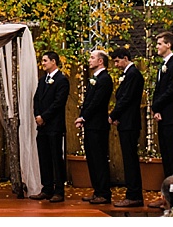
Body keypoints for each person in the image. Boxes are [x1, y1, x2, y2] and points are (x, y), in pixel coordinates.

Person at [30, 50, 70, 203]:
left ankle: (59, 190)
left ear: (54, 61)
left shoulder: (62, 80)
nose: (43, 63)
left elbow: (58, 103)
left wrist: (44, 117)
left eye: (45, 60)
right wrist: (37, 115)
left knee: (55, 158)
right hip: (42, 126)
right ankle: (46, 188)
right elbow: (37, 99)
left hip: (54, 125)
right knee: (43, 157)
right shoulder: (42, 80)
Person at [75, 49, 113, 205]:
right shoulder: (94, 79)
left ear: (100, 61)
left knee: (99, 159)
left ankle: (104, 192)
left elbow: (97, 102)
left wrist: (83, 116)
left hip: (98, 125)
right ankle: (97, 190)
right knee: (92, 158)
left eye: (92, 58)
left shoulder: (105, 79)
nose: (89, 60)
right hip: (90, 125)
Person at [109, 45, 145, 207]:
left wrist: (113, 115)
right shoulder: (128, 74)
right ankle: (132, 193)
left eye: (117, 61)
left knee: (130, 160)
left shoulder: (133, 75)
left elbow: (126, 99)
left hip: (130, 122)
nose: (116, 65)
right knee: (128, 159)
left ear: (125, 58)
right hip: (126, 121)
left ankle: (134, 194)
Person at [149, 31, 173, 179]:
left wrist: (155, 106)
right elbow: (158, 90)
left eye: (159, 44)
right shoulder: (162, 66)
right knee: (166, 156)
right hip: (163, 116)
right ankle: (168, 192)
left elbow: (172, 90)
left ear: (168, 45)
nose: (157, 47)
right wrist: (156, 109)